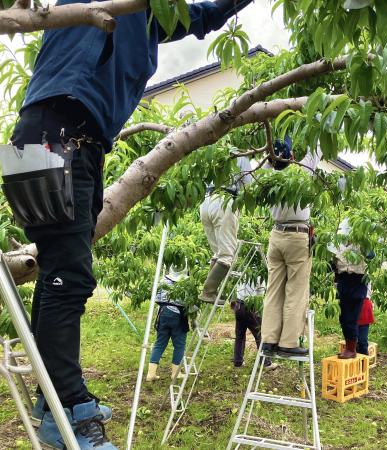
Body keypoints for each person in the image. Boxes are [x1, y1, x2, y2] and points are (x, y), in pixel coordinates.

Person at [5, 1, 253, 447]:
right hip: (62, 135)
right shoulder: (93, 6)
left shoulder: (152, 16)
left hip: (48, 137)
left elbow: (204, 16)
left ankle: (50, 402)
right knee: (71, 275)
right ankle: (71, 410)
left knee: (58, 270)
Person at [260, 137, 322, 358]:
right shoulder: (302, 173)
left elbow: (259, 171)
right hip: (297, 236)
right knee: (296, 291)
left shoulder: (266, 178)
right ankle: (288, 342)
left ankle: (268, 340)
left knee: (273, 289)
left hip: (276, 235)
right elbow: (316, 147)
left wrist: (269, 158)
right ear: (293, 157)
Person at [200, 156, 252, 304]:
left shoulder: (214, 148)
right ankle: (208, 292)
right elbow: (248, 184)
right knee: (227, 256)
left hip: (206, 200)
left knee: (218, 253)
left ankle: (211, 292)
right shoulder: (241, 154)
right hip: (224, 200)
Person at [331, 218, 369, 359]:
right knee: (343, 317)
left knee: (351, 317)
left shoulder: (361, 243)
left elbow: (371, 256)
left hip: (357, 281)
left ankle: (352, 349)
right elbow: (332, 265)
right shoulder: (338, 244)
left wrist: (366, 241)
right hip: (343, 281)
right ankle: (349, 346)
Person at [146, 265, 190, 382]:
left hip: (163, 313)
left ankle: (151, 374)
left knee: (159, 343)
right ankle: (176, 374)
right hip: (179, 315)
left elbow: (157, 298)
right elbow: (189, 302)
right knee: (179, 345)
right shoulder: (186, 282)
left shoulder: (163, 280)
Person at [231, 281, 275, 369]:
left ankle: (238, 362)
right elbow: (261, 293)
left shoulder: (244, 271)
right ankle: (266, 363)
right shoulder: (258, 275)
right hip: (251, 305)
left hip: (238, 305)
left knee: (240, 335)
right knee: (260, 334)